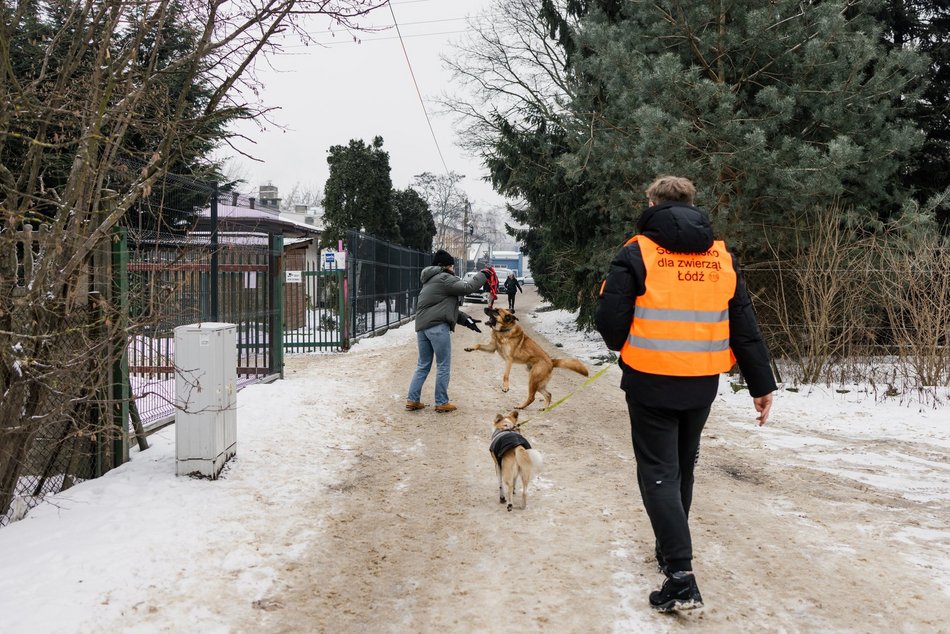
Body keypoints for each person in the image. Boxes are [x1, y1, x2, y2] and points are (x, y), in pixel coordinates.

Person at [595, 175, 776, 612]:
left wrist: (625, 345)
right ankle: (669, 548)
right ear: (693, 203)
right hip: (700, 385)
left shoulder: (637, 251)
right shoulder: (720, 256)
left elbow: (609, 318)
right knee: (681, 467)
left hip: (649, 380)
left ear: (652, 201)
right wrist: (761, 384)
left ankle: (679, 575)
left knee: (658, 471)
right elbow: (744, 325)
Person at [406, 249, 490, 413]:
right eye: (452, 265)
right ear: (446, 266)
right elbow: (468, 287)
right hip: (437, 327)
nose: (454, 268)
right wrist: (484, 274)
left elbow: (443, 309)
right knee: (443, 365)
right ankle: (441, 402)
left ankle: (412, 399)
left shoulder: (431, 280)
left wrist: (466, 320)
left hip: (422, 328)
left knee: (423, 365)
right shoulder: (445, 278)